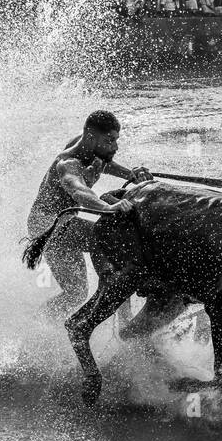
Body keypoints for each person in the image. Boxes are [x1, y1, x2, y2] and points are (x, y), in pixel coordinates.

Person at [26, 111, 150, 319]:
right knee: (106, 238)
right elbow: (79, 191)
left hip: (66, 222)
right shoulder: (67, 164)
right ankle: (117, 304)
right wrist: (109, 207)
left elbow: (106, 163)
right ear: (91, 137)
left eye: (116, 140)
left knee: (76, 294)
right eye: (109, 141)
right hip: (46, 225)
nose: (115, 147)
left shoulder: (91, 147)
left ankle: (39, 321)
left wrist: (130, 174)